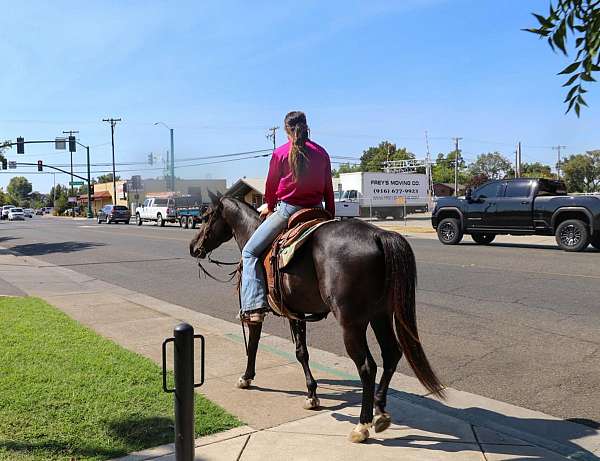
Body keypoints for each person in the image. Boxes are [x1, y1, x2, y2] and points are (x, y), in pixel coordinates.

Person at [239, 111, 335, 323]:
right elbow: (329, 189)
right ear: (307, 127)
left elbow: (271, 186)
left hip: (289, 210)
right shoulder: (322, 153)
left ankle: (254, 306)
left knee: (249, 252)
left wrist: (270, 207)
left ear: (286, 130)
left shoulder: (281, 153)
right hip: (318, 211)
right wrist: (330, 217)